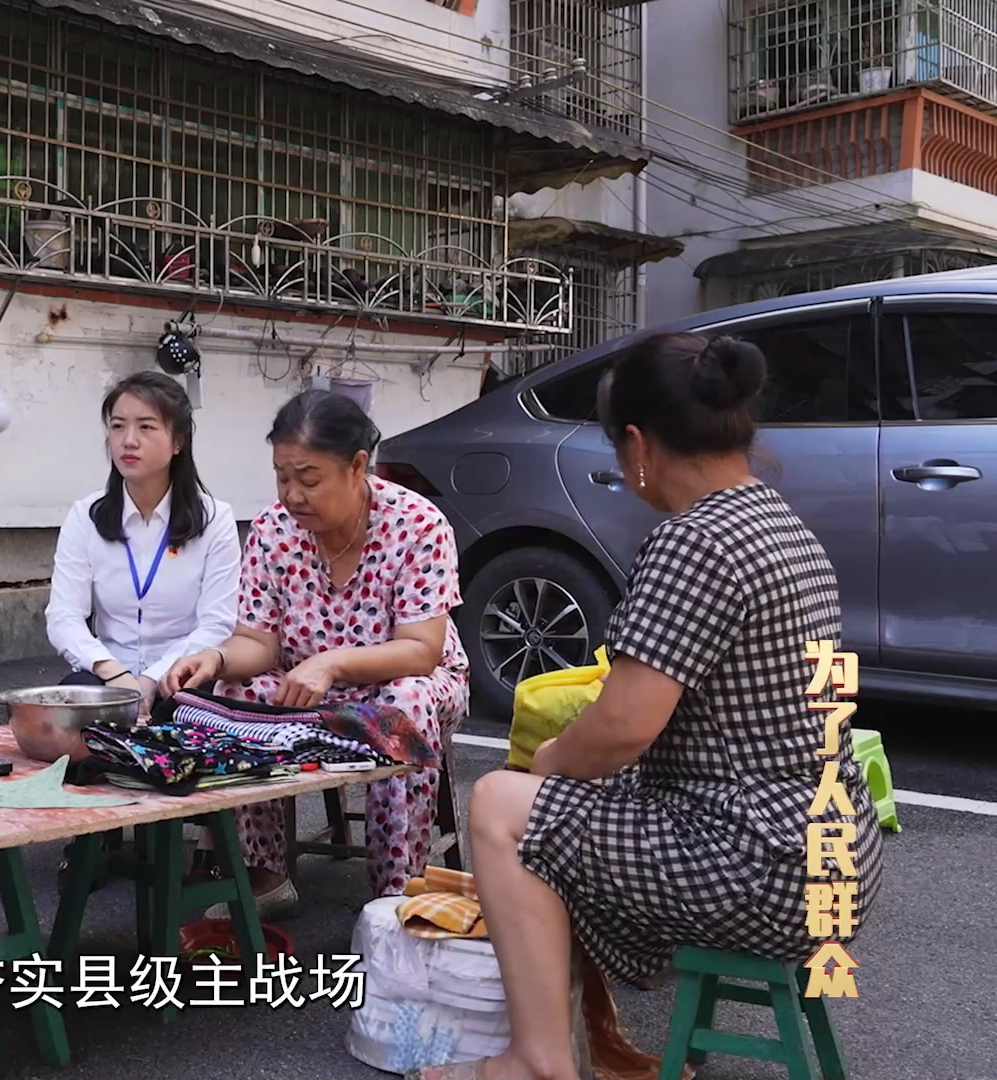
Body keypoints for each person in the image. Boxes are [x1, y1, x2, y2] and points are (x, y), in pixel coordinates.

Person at [413, 334, 883, 1080]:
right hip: (839, 854)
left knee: (502, 802)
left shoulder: (694, 542)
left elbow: (621, 730)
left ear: (637, 444)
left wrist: (547, 761)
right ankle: (583, 1029)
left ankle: (537, 1059)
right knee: (584, 801)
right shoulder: (782, 527)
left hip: (764, 866)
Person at [162, 389, 470, 916]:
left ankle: (395, 893)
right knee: (238, 690)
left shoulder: (418, 524)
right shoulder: (272, 530)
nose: (292, 495)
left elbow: (421, 650)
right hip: (305, 686)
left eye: (308, 479)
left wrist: (332, 663)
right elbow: (259, 643)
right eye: (282, 477)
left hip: (402, 681)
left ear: (357, 467)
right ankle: (263, 873)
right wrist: (215, 659)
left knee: (407, 702)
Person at [46, 370, 240, 713]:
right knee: (73, 700)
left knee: (186, 705)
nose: (129, 440)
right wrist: (113, 672)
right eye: (118, 426)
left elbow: (217, 623)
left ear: (178, 442)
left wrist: (152, 679)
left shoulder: (215, 520)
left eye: (146, 427)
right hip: (108, 677)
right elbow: (64, 616)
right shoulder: (86, 516)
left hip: (180, 674)